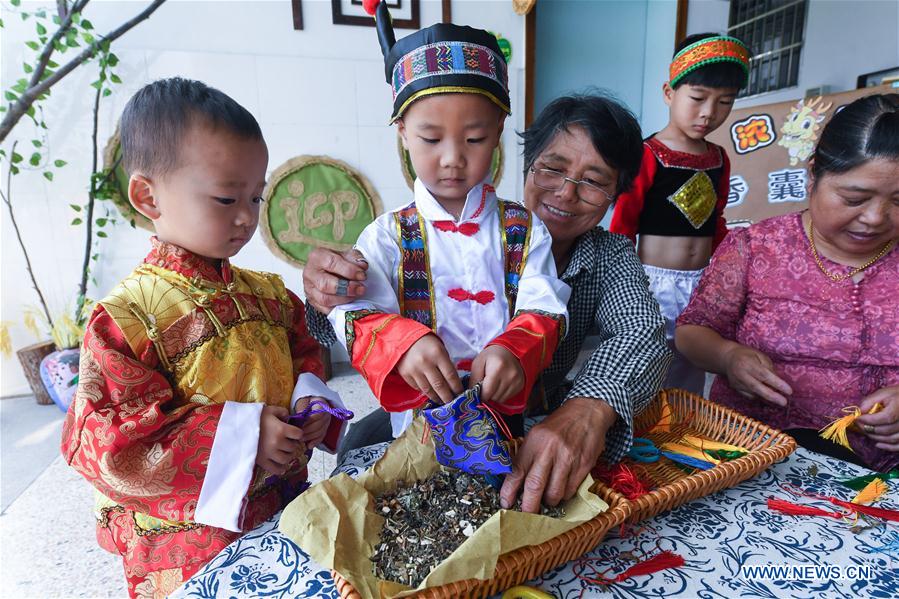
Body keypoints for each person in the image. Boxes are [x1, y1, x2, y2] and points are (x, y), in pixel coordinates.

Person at [305, 92, 672, 512]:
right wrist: (329, 295)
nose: (567, 194)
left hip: (520, 426)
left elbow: (642, 334)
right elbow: (347, 312)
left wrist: (587, 407)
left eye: (594, 181)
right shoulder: (394, 233)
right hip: (416, 422)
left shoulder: (606, 254)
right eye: (553, 169)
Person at [60, 78, 348, 597]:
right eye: (225, 197)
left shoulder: (268, 294)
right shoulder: (126, 319)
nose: (246, 217)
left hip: (279, 503)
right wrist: (241, 436)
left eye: (255, 197)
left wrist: (310, 403)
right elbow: (109, 446)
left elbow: (305, 354)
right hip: (191, 541)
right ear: (148, 195)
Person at [326, 1, 570, 438]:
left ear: (497, 132)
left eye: (475, 138)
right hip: (420, 427)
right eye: (431, 138)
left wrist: (515, 351)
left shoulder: (523, 229)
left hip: (506, 416)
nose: (453, 158)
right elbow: (351, 311)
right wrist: (402, 344)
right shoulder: (386, 236)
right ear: (402, 132)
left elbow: (544, 304)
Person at [676, 93, 899, 472]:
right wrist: (729, 358)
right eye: (854, 198)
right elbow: (693, 332)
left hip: (879, 474)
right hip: (755, 455)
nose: (875, 217)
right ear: (813, 175)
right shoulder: (757, 247)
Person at [609, 33, 750, 396]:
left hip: (702, 283)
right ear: (669, 93)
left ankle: (680, 434)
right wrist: (623, 282)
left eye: (724, 102)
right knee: (647, 362)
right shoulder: (648, 153)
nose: (709, 113)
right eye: (698, 98)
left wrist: (727, 272)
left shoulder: (719, 157)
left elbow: (716, 221)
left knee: (690, 371)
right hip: (651, 282)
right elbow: (624, 222)